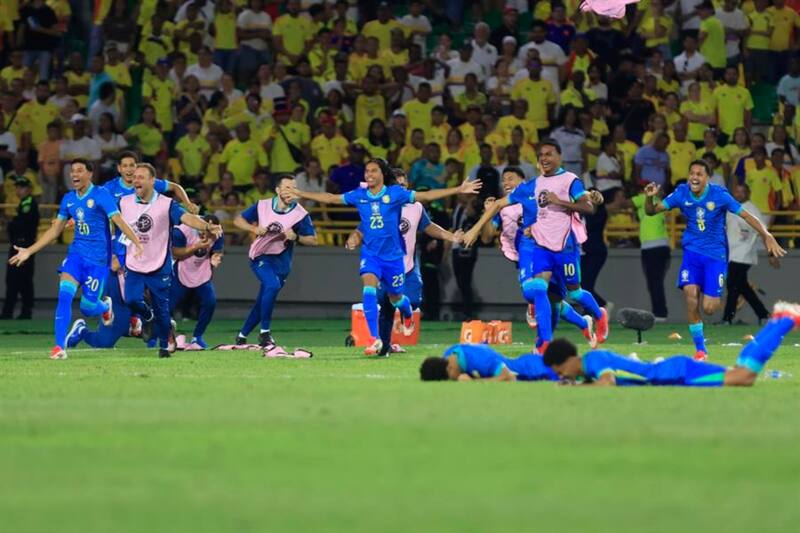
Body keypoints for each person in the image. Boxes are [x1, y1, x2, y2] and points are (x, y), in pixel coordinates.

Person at [286, 158, 482, 355]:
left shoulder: (401, 199)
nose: (369, 174)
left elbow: (427, 200)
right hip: (372, 256)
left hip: (397, 260)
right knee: (371, 292)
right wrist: (300, 193)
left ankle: (406, 313)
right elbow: (332, 200)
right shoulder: (361, 196)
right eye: (367, 171)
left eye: (374, 171)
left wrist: (457, 190)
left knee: (400, 300)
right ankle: (376, 341)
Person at [464, 142, 608, 354]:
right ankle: (544, 342)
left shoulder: (557, 183)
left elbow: (579, 198)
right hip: (530, 250)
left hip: (564, 247)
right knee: (540, 291)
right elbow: (490, 228)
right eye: (541, 155)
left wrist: (591, 195)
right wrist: (476, 229)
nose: (506, 183)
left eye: (510, 178)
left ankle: (593, 317)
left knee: (564, 297)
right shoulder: (519, 197)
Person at [644, 160, 786, 361]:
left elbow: (747, 216)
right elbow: (651, 211)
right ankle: (701, 350)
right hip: (692, 253)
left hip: (715, 256)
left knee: (709, 309)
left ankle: (705, 287)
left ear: (707, 178)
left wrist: (766, 235)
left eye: (699, 174)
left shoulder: (719, 195)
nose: (694, 177)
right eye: (691, 173)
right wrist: (649, 199)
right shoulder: (681, 193)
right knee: (690, 297)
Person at [8, 159, 143, 360]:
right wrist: (29, 251)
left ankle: (105, 306)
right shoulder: (68, 199)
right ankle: (58, 347)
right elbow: (55, 231)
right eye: (72, 171)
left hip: (98, 261)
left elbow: (119, 221)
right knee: (64, 296)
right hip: (76, 256)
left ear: (90, 174)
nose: (74, 175)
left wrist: (137, 243)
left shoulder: (100, 195)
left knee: (88, 308)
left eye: (80, 170)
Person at [345, 170, 462, 355]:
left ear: (407, 185)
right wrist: (354, 238)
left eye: (403, 183)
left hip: (408, 266)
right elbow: (362, 228)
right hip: (385, 265)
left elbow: (429, 226)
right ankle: (382, 346)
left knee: (413, 301)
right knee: (386, 308)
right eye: (397, 184)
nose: (401, 187)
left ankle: (407, 314)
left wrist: (451, 236)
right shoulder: (382, 205)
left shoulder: (415, 207)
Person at [543, 303, 800, 386]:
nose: (561, 376)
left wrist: (577, 389)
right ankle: (778, 320)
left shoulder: (593, 361)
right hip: (672, 370)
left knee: (743, 377)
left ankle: (785, 321)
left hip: (675, 374)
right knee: (741, 372)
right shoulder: (589, 366)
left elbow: (608, 382)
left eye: (559, 371)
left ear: (565, 361)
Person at [119, 163, 222, 358]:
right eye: (134, 177)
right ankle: (147, 317)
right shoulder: (124, 202)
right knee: (131, 299)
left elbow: (187, 218)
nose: (135, 180)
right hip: (134, 262)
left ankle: (165, 344)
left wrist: (207, 226)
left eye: (141, 177)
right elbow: (110, 217)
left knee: (162, 308)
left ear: (152, 181)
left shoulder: (166, 204)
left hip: (159, 264)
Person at [234, 176, 317, 347]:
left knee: (264, 298)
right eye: (287, 188)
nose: (290, 191)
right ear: (278, 190)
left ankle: (242, 336)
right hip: (260, 256)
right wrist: (254, 228)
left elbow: (313, 240)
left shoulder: (300, 214)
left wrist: (297, 237)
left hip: (282, 263)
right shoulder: (262, 205)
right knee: (271, 286)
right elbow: (238, 220)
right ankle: (265, 333)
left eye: (294, 188)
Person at [722, 184, 775, 324]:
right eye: (736, 191)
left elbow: (764, 231)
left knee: (733, 286)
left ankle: (727, 318)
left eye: (742, 192)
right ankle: (764, 315)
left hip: (744, 254)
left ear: (748, 193)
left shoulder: (751, 209)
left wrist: (771, 253)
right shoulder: (730, 208)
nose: (739, 194)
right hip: (731, 254)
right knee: (742, 287)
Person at [170, 215, 224, 349]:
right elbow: (176, 253)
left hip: (202, 273)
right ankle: (158, 337)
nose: (206, 233)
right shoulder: (181, 231)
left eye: (210, 230)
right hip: (182, 272)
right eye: (205, 228)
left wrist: (216, 256)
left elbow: (217, 250)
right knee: (167, 306)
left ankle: (197, 336)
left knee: (210, 302)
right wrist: (196, 246)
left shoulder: (217, 233)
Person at [419, 343, 558, 382]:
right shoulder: (449, 355)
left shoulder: (480, 359)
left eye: (450, 379)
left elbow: (508, 376)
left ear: (449, 369)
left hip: (533, 370)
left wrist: (474, 383)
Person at [2, 178, 40, 320]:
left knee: (16, 279)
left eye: (22, 187)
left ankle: (11, 311)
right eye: (17, 187)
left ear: (29, 189)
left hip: (22, 247)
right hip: (23, 246)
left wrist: (10, 223)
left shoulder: (28, 204)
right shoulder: (24, 203)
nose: (19, 190)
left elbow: (22, 225)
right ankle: (23, 310)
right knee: (22, 280)